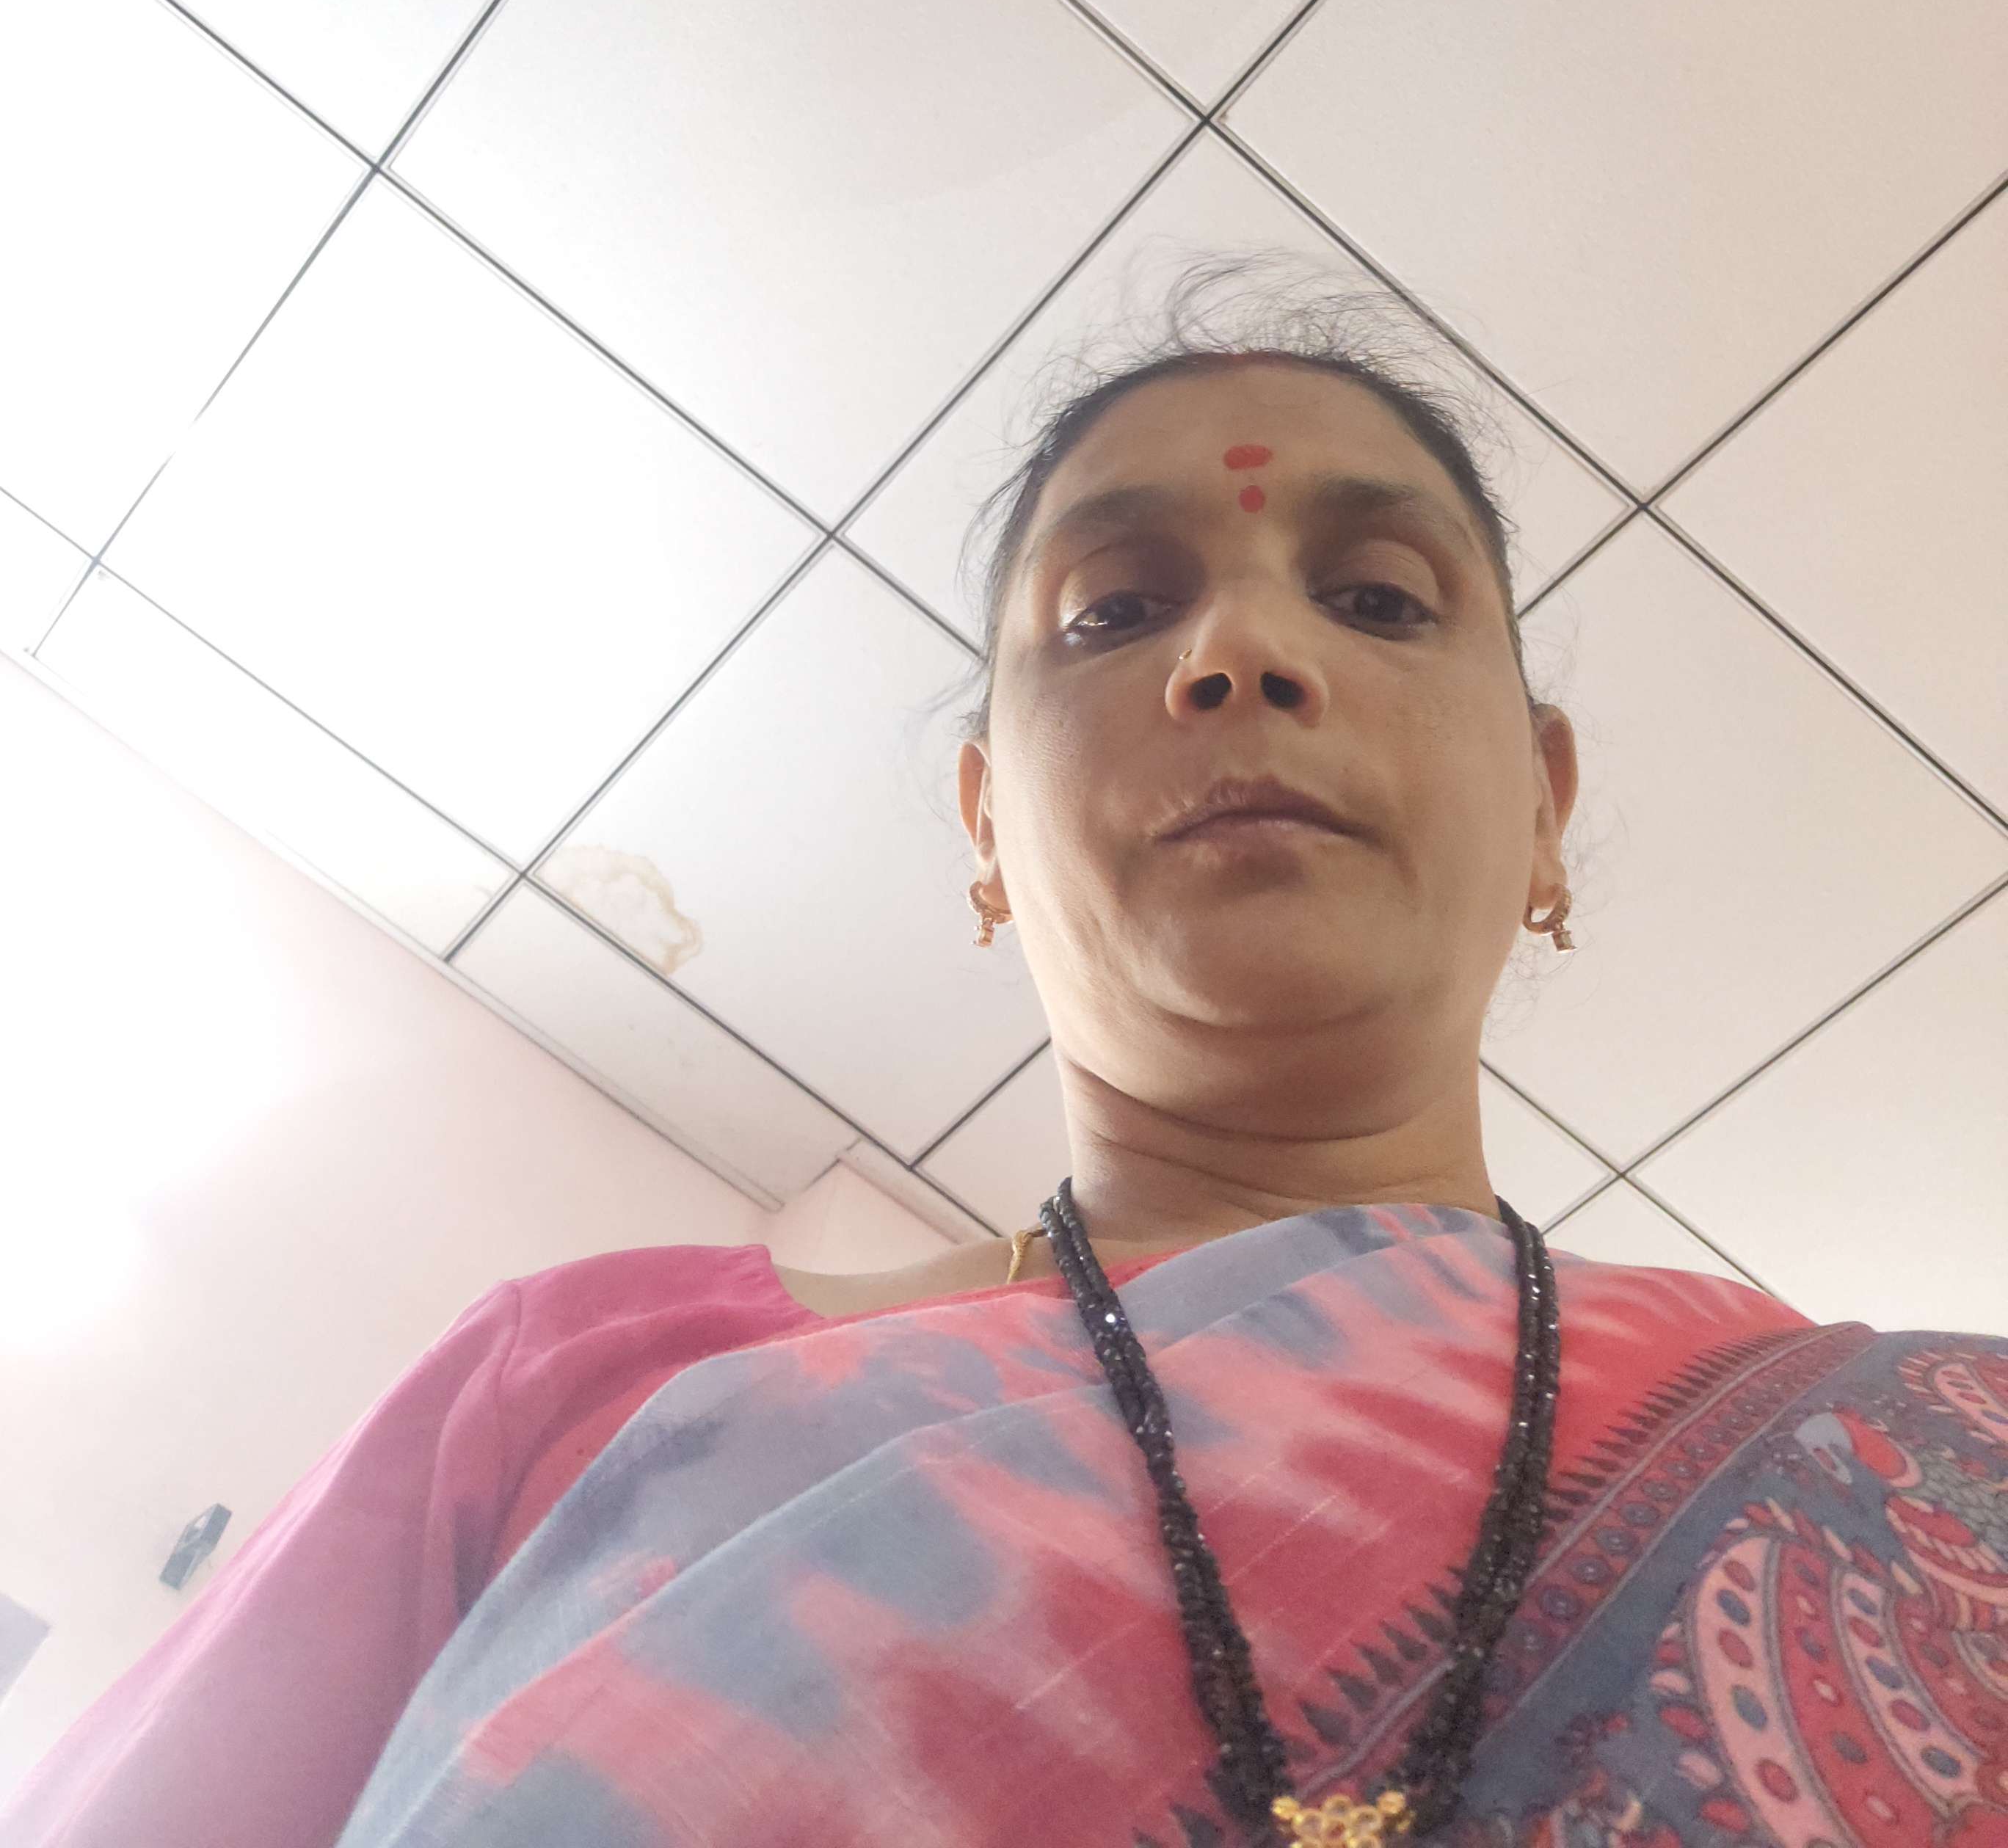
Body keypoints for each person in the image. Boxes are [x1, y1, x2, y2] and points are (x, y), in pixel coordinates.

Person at [5, 270, 2004, 1847]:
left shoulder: (1908, 1463)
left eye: (1379, 600)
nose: (1240, 655)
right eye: (1115, 610)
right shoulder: (576, 1395)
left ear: (1547, 806)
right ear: (987, 827)